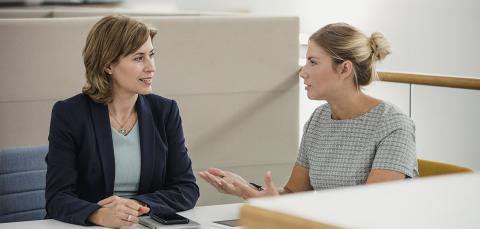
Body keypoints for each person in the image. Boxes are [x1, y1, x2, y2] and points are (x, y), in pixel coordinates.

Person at [199, 22, 418, 199]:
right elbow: (295, 194)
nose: (303, 72)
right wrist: (248, 190)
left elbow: (373, 208)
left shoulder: (393, 125)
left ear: (344, 68)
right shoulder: (319, 119)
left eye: (313, 62)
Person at [45, 15, 199, 228]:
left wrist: (136, 205)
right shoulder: (70, 114)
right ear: (108, 65)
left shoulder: (164, 111)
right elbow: (57, 197)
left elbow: (186, 188)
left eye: (151, 55)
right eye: (138, 58)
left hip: (142, 223)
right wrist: (98, 214)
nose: (151, 67)